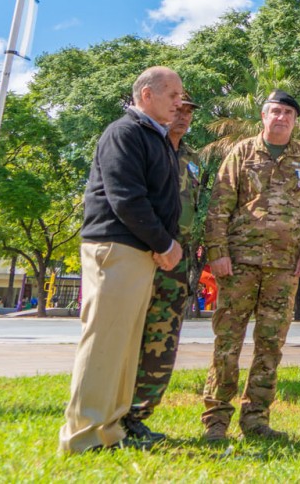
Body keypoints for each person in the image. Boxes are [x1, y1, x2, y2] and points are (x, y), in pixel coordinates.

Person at [58, 66, 186, 454]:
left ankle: (109, 430)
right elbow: (126, 198)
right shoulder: (125, 132)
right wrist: (164, 244)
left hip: (137, 252)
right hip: (117, 249)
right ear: (146, 95)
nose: (180, 102)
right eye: (173, 94)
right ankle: (83, 436)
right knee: (104, 344)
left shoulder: (155, 137)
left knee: (126, 348)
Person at [201, 90, 300, 441]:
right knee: (227, 341)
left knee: (270, 345)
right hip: (238, 264)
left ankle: (256, 419)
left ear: (295, 120)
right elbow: (219, 206)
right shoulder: (241, 152)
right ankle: (216, 419)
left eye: (288, 112)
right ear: (263, 115)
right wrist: (218, 251)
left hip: (284, 268)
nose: (281, 117)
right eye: (275, 111)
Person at [124, 92, 208, 445]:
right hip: (143, 252)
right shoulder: (146, 145)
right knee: (127, 337)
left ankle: (138, 416)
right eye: (179, 109)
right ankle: (112, 412)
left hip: (178, 259)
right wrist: (158, 243)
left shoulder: (192, 159)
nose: (184, 116)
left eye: (190, 111)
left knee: (163, 338)